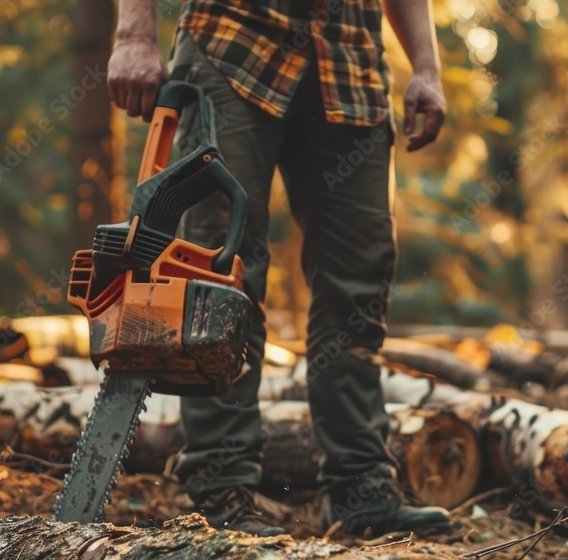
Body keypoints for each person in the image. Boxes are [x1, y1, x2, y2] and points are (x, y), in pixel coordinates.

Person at [106, 0, 449, 537]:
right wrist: (133, 35)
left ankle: (362, 490)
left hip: (350, 65)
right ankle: (221, 497)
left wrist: (427, 67)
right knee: (219, 274)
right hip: (232, 43)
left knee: (359, 284)